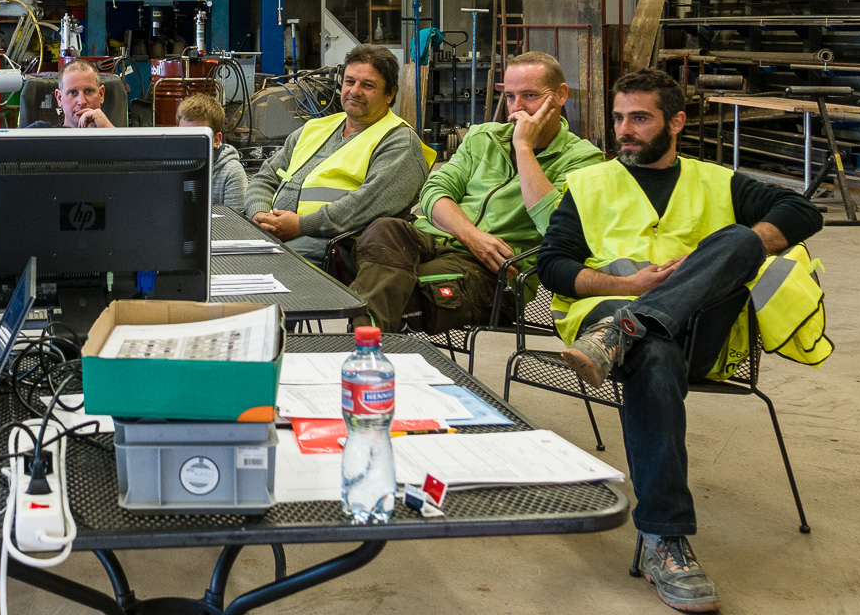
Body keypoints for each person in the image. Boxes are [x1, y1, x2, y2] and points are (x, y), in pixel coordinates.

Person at [538, 69, 826, 614]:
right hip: (611, 316)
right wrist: (630, 287)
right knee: (654, 356)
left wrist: (710, 261)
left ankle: (631, 329)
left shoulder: (718, 180)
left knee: (739, 238)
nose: (624, 130)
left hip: (699, 334)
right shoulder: (588, 184)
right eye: (619, 118)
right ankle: (664, 540)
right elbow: (552, 266)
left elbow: (804, 211)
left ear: (676, 122)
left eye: (639, 118)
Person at [348, 51, 603, 331]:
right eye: (510, 96)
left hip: (495, 274)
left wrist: (524, 148)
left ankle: (358, 345)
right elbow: (433, 190)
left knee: (390, 287)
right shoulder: (483, 137)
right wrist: (472, 237)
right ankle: (363, 347)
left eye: (530, 95)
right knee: (385, 229)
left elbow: (555, 227)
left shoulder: (583, 159)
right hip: (439, 242)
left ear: (561, 95)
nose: (517, 109)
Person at [246, 45, 433, 261]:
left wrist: (301, 225)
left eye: (368, 85)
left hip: (342, 245)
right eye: (349, 81)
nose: (355, 91)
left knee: (271, 262)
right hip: (281, 232)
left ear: (390, 94)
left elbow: (366, 206)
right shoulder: (315, 128)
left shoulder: (399, 141)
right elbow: (266, 176)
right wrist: (260, 215)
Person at [176, 93, 246, 213]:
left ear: (216, 140)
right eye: (183, 135)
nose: (188, 143)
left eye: (197, 137)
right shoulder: (168, 167)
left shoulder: (232, 172)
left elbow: (235, 222)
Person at [35, 59, 115, 128]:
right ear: (59, 98)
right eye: (72, 93)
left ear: (101, 95)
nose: (82, 102)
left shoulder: (114, 132)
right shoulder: (39, 133)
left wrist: (107, 129)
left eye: (89, 91)